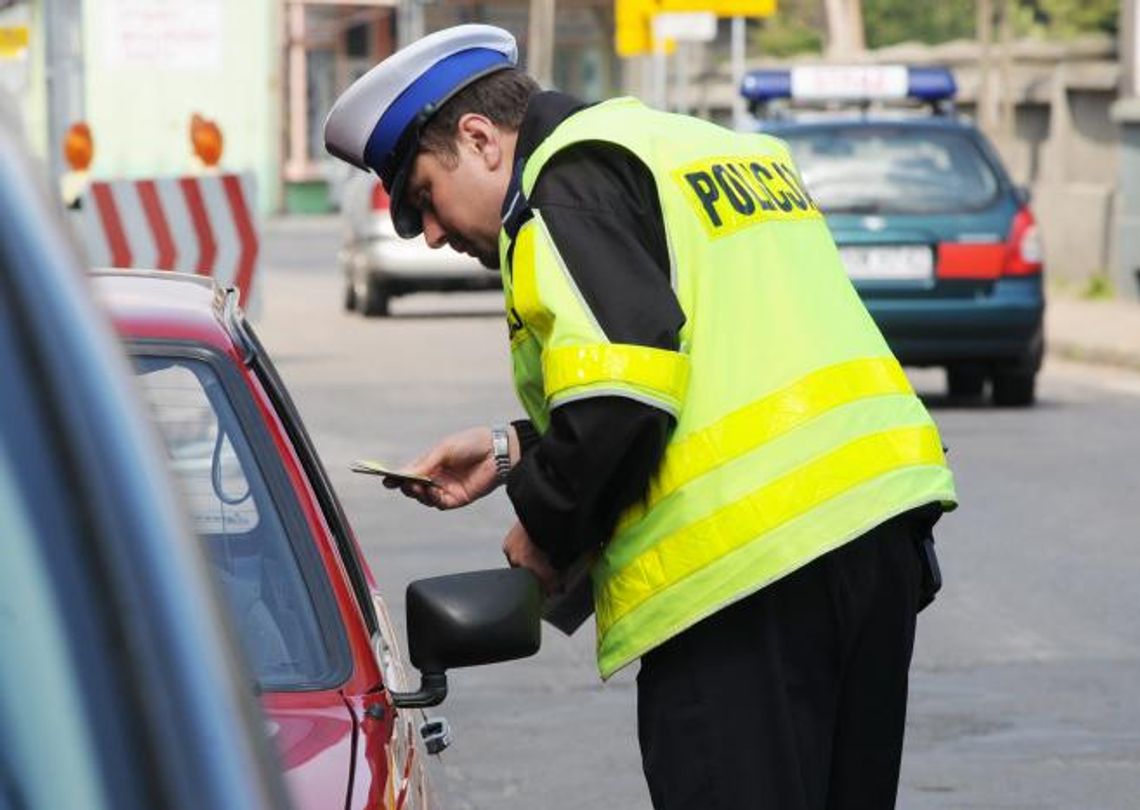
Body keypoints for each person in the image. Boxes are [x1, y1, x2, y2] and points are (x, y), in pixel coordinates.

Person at [324, 24, 957, 810]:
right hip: (873, 538)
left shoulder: (566, 181)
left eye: (424, 196)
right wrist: (516, 448)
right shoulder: (699, 145)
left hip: (745, 577)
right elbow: (721, 356)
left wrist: (547, 530)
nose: (433, 232)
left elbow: (623, 400)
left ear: (482, 139)